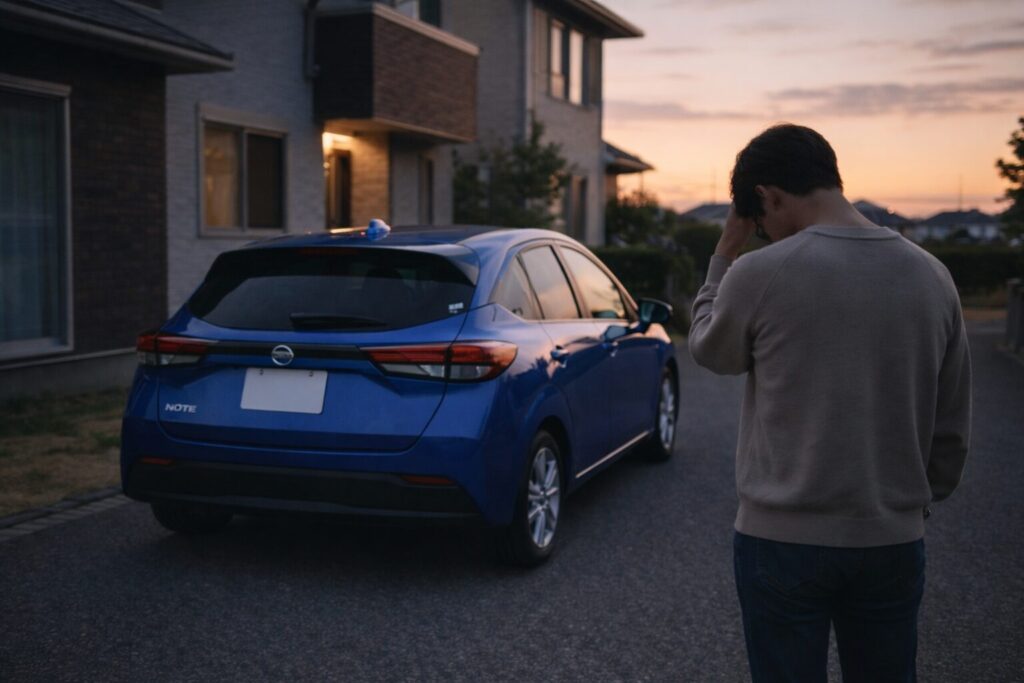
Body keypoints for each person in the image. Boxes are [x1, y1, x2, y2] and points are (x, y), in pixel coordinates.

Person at [688, 124, 971, 682]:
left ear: (766, 197)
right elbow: (952, 428)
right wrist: (907, 504)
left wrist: (725, 251)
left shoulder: (759, 272)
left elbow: (710, 350)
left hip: (781, 540)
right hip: (891, 534)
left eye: (760, 219)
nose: (765, 233)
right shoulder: (933, 277)